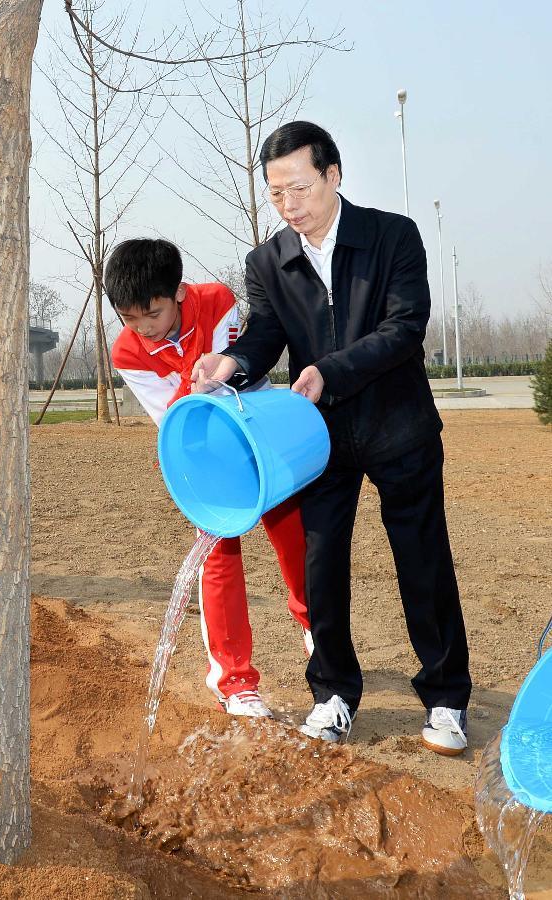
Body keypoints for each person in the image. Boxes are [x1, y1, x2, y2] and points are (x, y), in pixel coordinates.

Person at [192, 121, 472, 755]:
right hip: (317, 439)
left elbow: (405, 327)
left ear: (333, 175)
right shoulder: (268, 261)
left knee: (422, 559)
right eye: (275, 193)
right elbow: (264, 334)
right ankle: (334, 693)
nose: (289, 204)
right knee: (321, 565)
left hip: (398, 427)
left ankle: (447, 696)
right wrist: (230, 365)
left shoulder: (391, 236)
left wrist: (329, 370)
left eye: (299, 186)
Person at [106, 238, 313, 718]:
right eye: (129, 319)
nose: (143, 330)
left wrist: (213, 374)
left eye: (151, 315)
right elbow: (174, 414)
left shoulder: (218, 301)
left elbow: (242, 372)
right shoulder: (127, 352)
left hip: (258, 438)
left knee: (295, 537)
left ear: (178, 293)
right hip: (204, 454)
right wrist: (193, 383)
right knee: (218, 555)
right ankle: (235, 679)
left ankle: (315, 630)